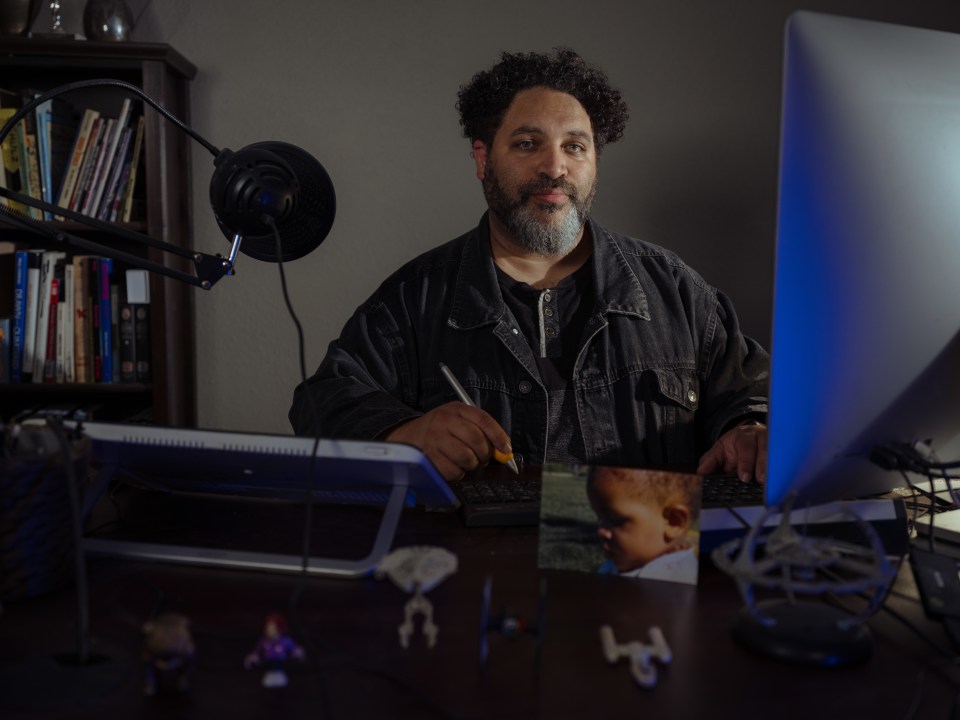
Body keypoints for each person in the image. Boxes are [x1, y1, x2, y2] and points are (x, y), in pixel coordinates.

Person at [289, 48, 769, 483]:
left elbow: (753, 392)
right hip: (480, 553)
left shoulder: (675, 291)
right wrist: (404, 434)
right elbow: (320, 404)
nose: (554, 167)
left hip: (643, 548)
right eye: (526, 143)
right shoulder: (414, 300)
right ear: (482, 159)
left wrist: (750, 428)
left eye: (575, 147)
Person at [587, 466, 701, 584]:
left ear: (674, 522)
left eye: (615, 519)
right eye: (600, 518)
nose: (600, 531)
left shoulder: (672, 582)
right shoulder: (632, 561)